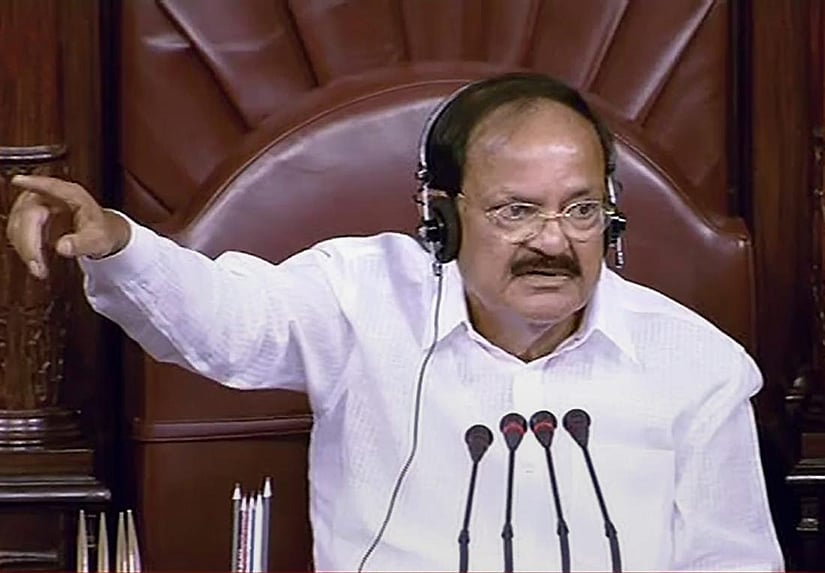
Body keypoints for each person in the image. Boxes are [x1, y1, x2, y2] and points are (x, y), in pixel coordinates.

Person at [6, 73, 783, 572]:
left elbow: (734, 559)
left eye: (580, 209)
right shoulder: (361, 295)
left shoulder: (696, 364)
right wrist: (119, 243)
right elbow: (229, 323)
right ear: (439, 218)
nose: (555, 241)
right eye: (518, 211)